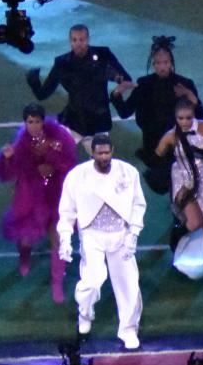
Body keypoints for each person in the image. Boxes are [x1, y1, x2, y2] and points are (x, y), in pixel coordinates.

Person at [56, 134, 147, 349]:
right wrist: (65, 238)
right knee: (92, 282)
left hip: (121, 235)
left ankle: (128, 329)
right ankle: (85, 314)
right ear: (92, 153)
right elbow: (67, 209)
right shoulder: (77, 176)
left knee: (128, 285)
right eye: (100, 153)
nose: (104, 156)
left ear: (112, 151)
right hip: (92, 235)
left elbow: (137, 204)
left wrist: (133, 232)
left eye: (107, 152)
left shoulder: (127, 172)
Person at [0, 102, 78, 302]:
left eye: (37, 121)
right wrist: (6, 159)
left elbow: (70, 164)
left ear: (43, 121)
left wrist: (49, 157)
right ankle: (24, 256)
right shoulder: (21, 143)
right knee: (25, 238)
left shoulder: (59, 138)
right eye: (30, 122)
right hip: (33, 196)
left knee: (58, 238)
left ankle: (57, 281)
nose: (33, 125)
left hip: (57, 193)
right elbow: (8, 173)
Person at [110, 35, 203, 194]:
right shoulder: (144, 84)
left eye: (165, 63)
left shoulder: (184, 84)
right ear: (153, 64)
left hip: (179, 148)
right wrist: (117, 93)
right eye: (158, 63)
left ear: (171, 63)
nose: (162, 67)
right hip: (153, 148)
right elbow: (125, 112)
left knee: (182, 191)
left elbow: (201, 115)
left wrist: (190, 96)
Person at [26, 24, 129, 148]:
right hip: (74, 121)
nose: (78, 43)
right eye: (75, 40)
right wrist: (34, 80)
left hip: (98, 121)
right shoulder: (62, 63)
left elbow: (123, 77)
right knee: (58, 157)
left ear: (88, 39)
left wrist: (117, 78)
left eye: (82, 39)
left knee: (103, 159)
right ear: (70, 41)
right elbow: (43, 94)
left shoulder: (103, 54)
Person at [155, 99, 203, 286]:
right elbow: (157, 155)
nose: (184, 122)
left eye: (188, 118)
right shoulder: (171, 136)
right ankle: (175, 241)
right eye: (180, 118)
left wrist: (195, 150)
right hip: (183, 182)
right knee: (194, 223)